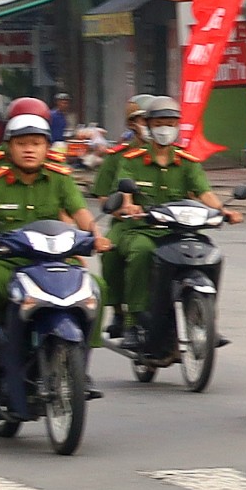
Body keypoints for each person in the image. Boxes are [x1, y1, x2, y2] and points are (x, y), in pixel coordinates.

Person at [0, 107, 97, 406]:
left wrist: (97, 234)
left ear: (47, 147)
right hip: (6, 259)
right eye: (22, 143)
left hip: (55, 257)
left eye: (36, 143)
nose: (30, 149)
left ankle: (82, 365)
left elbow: (80, 212)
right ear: (9, 147)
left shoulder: (60, 177)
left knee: (95, 289)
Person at [93, 95, 222, 341]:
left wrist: (223, 211)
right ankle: (130, 318)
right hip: (138, 226)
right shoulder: (127, 159)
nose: (164, 128)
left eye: (170, 123)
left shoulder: (186, 161)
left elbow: (204, 192)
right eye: (156, 122)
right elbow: (117, 193)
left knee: (210, 253)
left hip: (178, 228)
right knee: (135, 253)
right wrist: (127, 207)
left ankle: (205, 318)